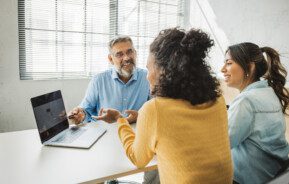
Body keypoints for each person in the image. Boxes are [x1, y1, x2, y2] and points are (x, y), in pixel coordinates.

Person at [97, 28, 233, 183]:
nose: (147, 76)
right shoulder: (218, 100)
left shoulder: (155, 109)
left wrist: (119, 119)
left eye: (149, 68)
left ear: (164, 71)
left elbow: (138, 158)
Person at [221, 42, 289, 184]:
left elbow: (222, 145)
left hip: (249, 178)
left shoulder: (246, 101)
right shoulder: (269, 92)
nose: (222, 69)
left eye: (228, 63)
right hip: (274, 173)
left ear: (250, 67)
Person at [68, 35, 150, 124]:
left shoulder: (148, 77)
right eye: (119, 54)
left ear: (135, 53)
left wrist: (139, 117)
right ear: (111, 59)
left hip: (135, 132)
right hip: (105, 132)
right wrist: (80, 115)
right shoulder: (98, 80)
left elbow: (157, 110)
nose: (126, 58)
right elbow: (86, 110)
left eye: (129, 52)